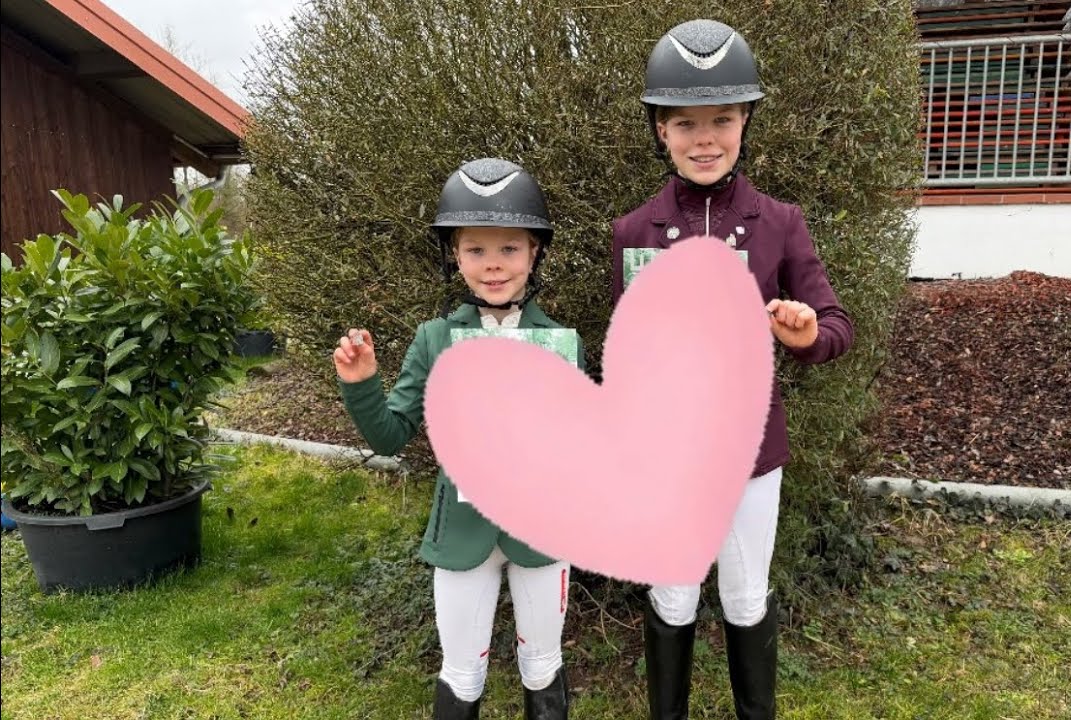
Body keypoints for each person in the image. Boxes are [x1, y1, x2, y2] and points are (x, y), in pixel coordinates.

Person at [610, 19, 855, 720]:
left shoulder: (781, 222)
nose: (706, 138)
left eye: (721, 118)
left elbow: (837, 325)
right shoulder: (634, 233)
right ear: (661, 129)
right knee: (673, 593)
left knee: (746, 596)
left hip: (752, 455)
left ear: (745, 118)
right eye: (686, 123)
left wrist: (808, 335)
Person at [334, 158, 577, 720]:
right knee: (462, 669)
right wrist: (361, 384)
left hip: (542, 532)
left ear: (534, 252)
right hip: (463, 532)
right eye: (476, 250)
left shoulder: (561, 341)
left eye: (509, 249)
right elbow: (391, 437)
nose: (493, 266)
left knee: (542, 663)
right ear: (455, 256)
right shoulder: (433, 339)